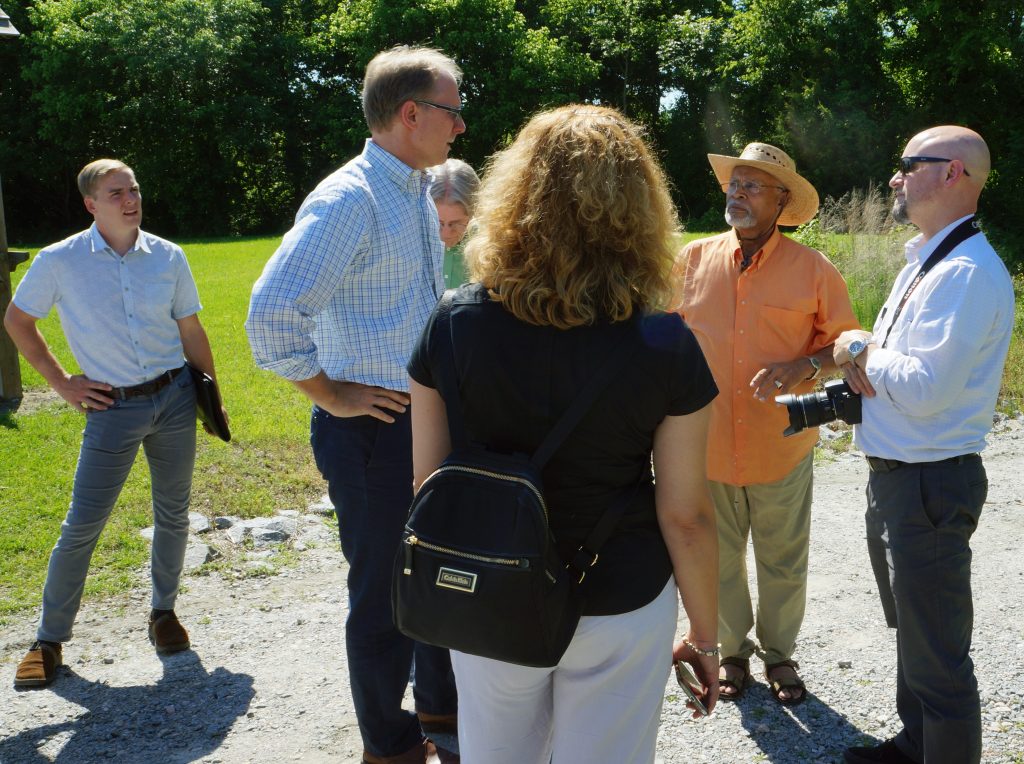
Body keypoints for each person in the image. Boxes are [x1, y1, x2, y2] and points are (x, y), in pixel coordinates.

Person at [408, 104, 721, 764]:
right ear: (641, 210)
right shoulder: (666, 343)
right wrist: (706, 631)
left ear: (513, 195)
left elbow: (427, 483)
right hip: (620, 594)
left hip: (489, 585)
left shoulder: (453, 322)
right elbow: (687, 515)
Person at [245, 45, 463, 764]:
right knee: (382, 590)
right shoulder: (352, 197)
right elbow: (272, 313)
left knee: (429, 573)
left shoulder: (409, 189)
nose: (460, 127)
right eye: (451, 111)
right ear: (411, 114)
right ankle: (388, 744)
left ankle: (439, 708)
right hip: (374, 429)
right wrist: (330, 393)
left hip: (417, 419)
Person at [5, 158, 224, 687]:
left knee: (173, 512)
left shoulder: (167, 256)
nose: (131, 200)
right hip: (111, 408)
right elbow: (17, 321)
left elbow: (190, 329)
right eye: (116, 192)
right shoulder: (61, 260)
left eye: (134, 189)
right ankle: (48, 640)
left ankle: (163, 614)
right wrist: (63, 384)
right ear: (90, 204)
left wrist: (210, 394)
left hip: (172, 397)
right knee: (82, 525)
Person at [836, 127, 1014, 764]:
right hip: (900, 480)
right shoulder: (934, 260)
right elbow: (892, 365)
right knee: (915, 635)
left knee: (937, 657)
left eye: (909, 165)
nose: (895, 177)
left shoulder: (964, 272)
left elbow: (926, 388)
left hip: (928, 483)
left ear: (952, 175)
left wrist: (859, 347)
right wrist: (864, 344)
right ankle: (915, 747)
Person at [674, 143, 859, 704]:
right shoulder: (693, 260)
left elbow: (848, 343)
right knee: (720, 559)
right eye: (734, 184)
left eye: (753, 186)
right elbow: (661, 339)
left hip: (781, 447)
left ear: (782, 201)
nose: (738, 193)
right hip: (704, 446)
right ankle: (732, 653)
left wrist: (806, 363)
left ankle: (780, 656)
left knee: (782, 560)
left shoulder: (814, 269)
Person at [428, 158, 480, 288]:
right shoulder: (408, 237)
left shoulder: (489, 243)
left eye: (455, 223)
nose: (446, 234)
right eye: (438, 222)